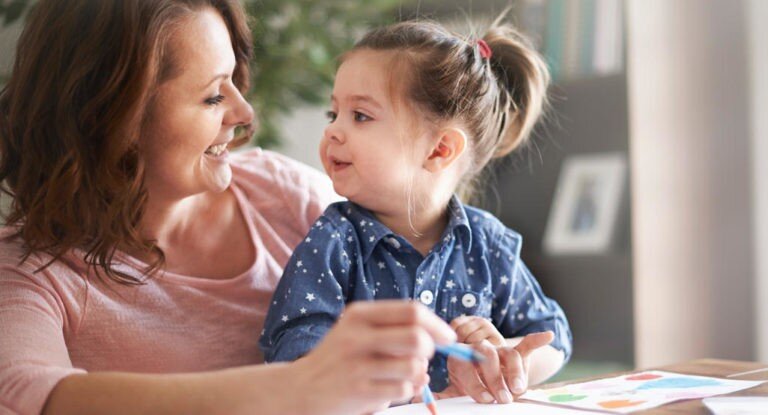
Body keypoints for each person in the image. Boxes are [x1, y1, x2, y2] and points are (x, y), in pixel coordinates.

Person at [0, 1, 460, 414]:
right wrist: (298, 386)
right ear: (115, 116)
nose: (244, 114)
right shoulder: (31, 272)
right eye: (213, 96)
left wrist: (468, 345)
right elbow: (26, 390)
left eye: (234, 82)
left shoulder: (286, 195)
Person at [260, 19, 573, 405]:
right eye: (333, 114)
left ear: (440, 150)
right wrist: (363, 375)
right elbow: (292, 352)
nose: (332, 131)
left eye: (360, 116)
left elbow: (553, 337)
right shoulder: (334, 240)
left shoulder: (488, 244)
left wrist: (506, 359)